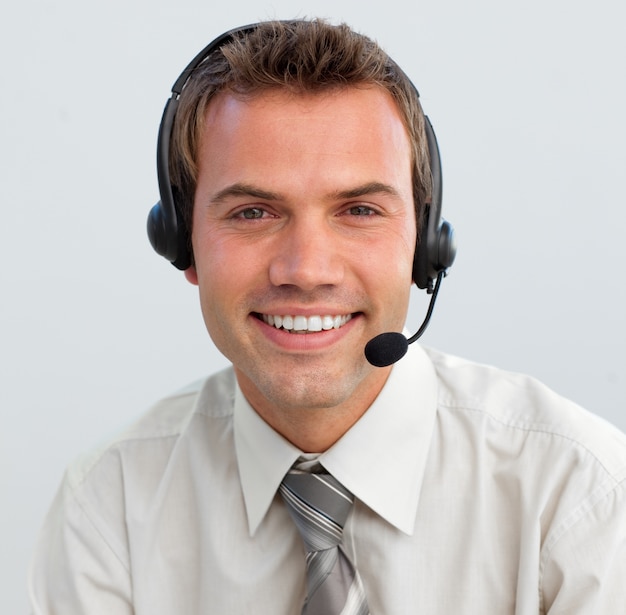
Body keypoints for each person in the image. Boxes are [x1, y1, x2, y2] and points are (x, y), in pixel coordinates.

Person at [29, 19, 626, 614]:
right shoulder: (108, 510)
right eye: (253, 213)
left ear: (424, 248)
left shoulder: (579, 496)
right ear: (182, 244)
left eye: (360, 209)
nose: (306, 269)